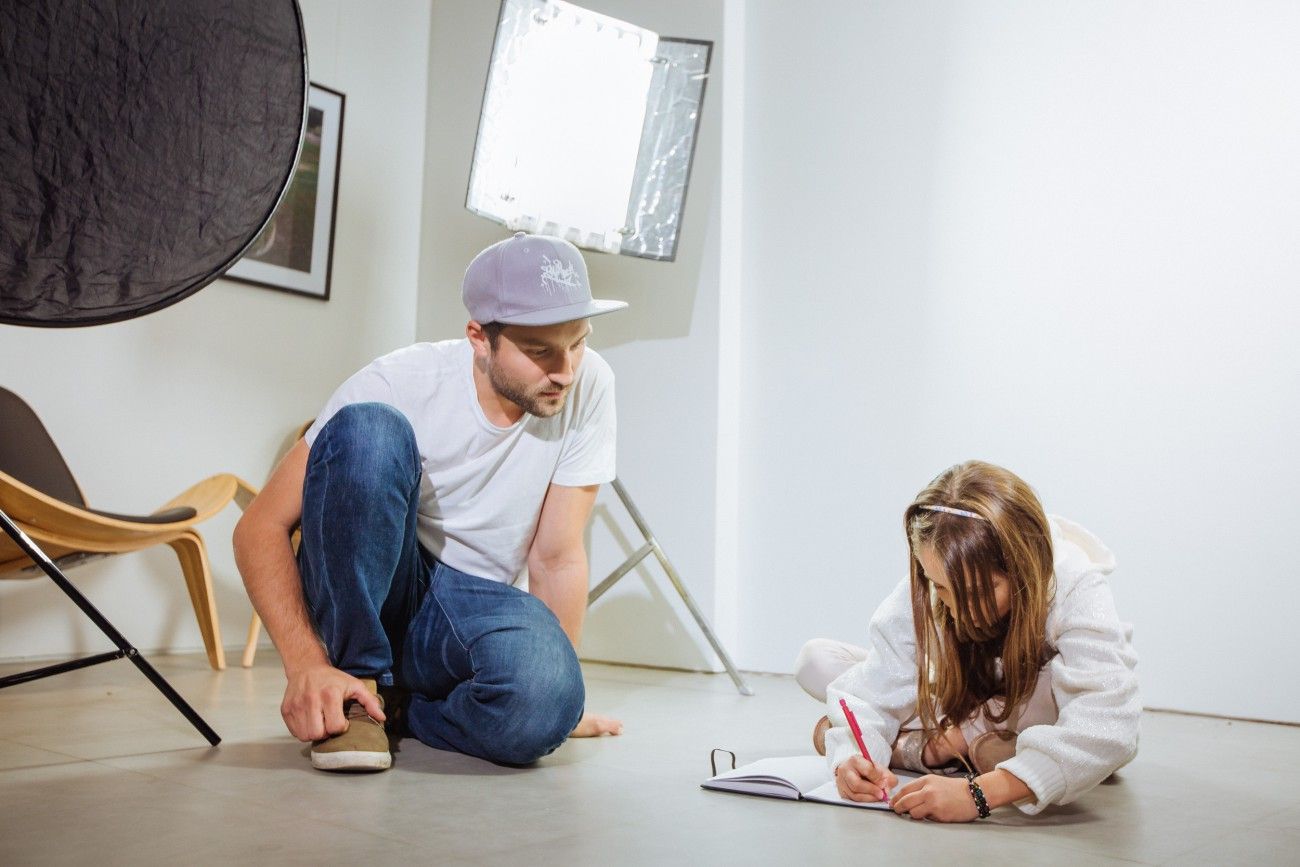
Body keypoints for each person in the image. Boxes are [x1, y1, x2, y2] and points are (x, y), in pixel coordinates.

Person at [234, 231, 627, 772]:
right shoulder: (397, 382)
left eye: (578, 342)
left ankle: (395, 710)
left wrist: (563, 701)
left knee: (548, 697)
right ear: (478, 338)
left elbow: (557, 556)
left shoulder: (591, 385)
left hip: (466, 608)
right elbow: (258, 529)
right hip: (382, 583)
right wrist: (306, 665)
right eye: (539, 350)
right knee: (369, 430)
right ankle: (357, 684)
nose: (565, 370)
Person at [797, 460, 1139, 821]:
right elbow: (872, 690)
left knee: (1058, 695)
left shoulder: (1074, 583)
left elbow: (1110, 724)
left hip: (1034, 704)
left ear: (1022, 567)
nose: (962, 614)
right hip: (960, 700)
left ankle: (938, 746)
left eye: (981, 591)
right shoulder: (932, 577)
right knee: (817, 661)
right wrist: (851, 758)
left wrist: (979, 794)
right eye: (943, 588)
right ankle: (964, 745)